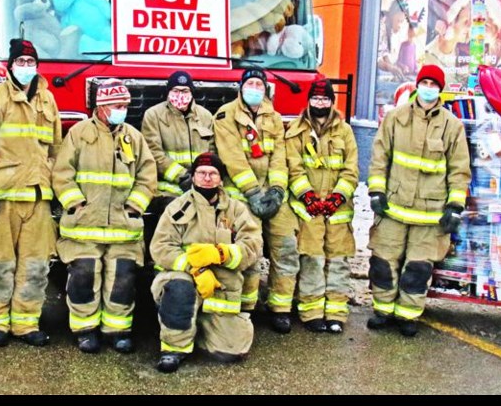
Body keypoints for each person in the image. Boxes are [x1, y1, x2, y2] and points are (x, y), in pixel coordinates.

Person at [51, 79, 157, 354]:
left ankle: (117, 330)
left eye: (124, 105)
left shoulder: (133, 137)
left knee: (123, 279)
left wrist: (135, 206)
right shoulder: (79, 133)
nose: (123, 110)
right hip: (83, 228)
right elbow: (62, 174)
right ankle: (85, 330)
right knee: (83, 277)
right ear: (101, 107)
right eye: (117, 105)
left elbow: (147, 176)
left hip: (124, 230)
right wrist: (75, 204)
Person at [366, 63, 471, 337]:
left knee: (417, 269)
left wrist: (455, 206)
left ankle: (407, 316)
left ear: (440, 90)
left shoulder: (452, 126)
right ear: (417, 85)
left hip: (429, 214)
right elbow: (380, 157)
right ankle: (382, 311)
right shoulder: (396, 117)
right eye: (424, 83)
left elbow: (459, 169)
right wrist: (376, 191)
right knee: (382, 263)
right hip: (393, 208)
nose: (428, 88)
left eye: (433, 85)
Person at [0, 39, 62, 348]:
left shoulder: (48, 101)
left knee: (36, 264)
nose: (26, 67)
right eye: (21, 61)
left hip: (38, 196)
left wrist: (58, 187)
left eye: (30, 62)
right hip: (4, 194)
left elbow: (56, 149)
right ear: (11, 65)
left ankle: (26, 322)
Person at [149, 152, 262, 373]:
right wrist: (194, 268)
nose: (207, 178)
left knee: (231, 352)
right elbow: (161, 247)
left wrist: (222, 254)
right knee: (180, 290)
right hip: (183, 278)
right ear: (193, 177)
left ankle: (200, 326)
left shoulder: (236, 210)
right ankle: (173, 349)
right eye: (201, 173)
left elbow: (253, 246)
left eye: (213, 173)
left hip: (221, 288)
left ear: (221, 179)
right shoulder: (177, 208)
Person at [214, 68, 298, 333]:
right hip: (241, 195)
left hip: (271, 195)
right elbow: (232, 158)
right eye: (250, 83)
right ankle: (246, 307)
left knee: (286, 247)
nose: (255, 88)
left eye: (259, 84)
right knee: (249, 251)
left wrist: (276, 190)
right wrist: (252, 192)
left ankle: (280, 308)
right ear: (241, 87)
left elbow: (279, 156)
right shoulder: (226, 115)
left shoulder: (273, 116)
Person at [284, 77, 359, 333]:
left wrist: (338, 197)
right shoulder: (296, 130)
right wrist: (307, 196)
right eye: (316, 99)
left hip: (338, 212)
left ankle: (336, 314)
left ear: (331, 101)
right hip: (308, 211)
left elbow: (351, 170)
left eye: (325, 99)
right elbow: (292, 168)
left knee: (338, 262)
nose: (320, 103)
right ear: (308, 101)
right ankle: (312, 312)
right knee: (312, 260)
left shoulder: (345, 131)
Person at [140, 70, 215, 247]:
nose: (180, 95)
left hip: (201, 185)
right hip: (167, 189)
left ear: (191, 93)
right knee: (178, 212)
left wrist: (202, 178)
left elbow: (212, 151)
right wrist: (181, 176)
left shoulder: (205, 116)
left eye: (185, 91)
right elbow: (153, 153)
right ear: (168, 92)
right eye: (175, 90)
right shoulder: (153, 116)